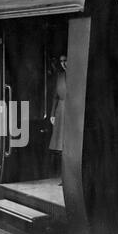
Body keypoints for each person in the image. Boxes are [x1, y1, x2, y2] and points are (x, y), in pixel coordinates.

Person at [49, 55, 67, 184]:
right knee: (60, 147)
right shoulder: (60, 76)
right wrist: (52, 114)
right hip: (61, 110)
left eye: (65, 60)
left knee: (69, 145)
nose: (63, 63)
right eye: (61, 61)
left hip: (73, 110)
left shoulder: (76, 75)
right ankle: (63, 177)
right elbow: (55, 96)